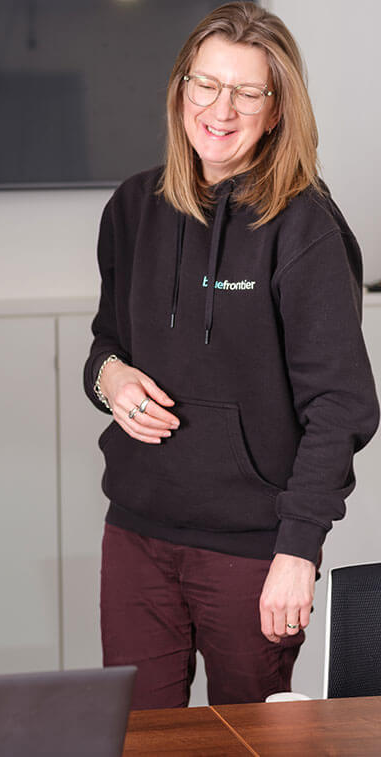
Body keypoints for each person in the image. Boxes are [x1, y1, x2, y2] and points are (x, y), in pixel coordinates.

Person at [84, 2, 378, 709]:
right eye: (207, 84)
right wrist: (108, 376)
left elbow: (341, 405)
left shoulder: (303, 226)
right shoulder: (131, 207)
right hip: (137, 534)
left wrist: (298, 549)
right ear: (181, 90)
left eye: (248, 92)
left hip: (254, 547)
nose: (222, 108)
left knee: (247, 742)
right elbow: (107, 339)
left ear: (276, 110)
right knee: (139, 740)